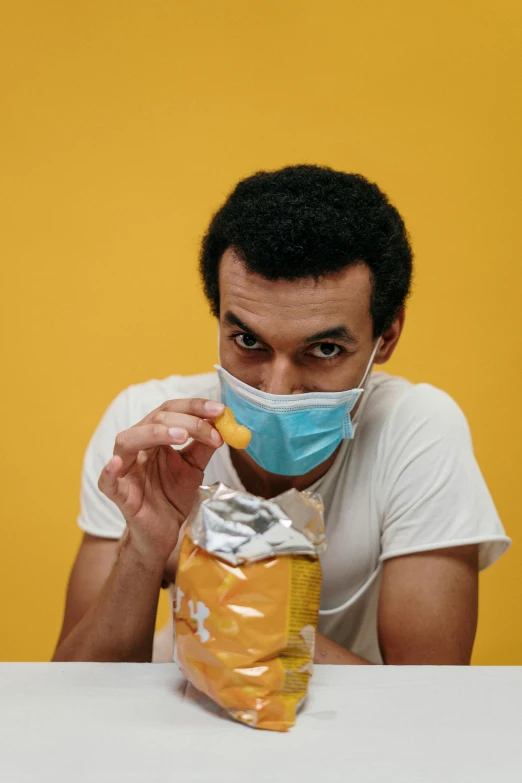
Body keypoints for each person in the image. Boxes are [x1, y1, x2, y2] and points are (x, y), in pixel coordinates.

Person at [53, 164, 509, 665]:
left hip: (353, 735)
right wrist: (143, 550)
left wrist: (232, 592)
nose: (278, 388)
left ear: (388, 337)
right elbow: (77, 691)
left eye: (326, 349)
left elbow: (430, 699)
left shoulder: (416, 431)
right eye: (248, 341)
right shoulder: (150, 431)